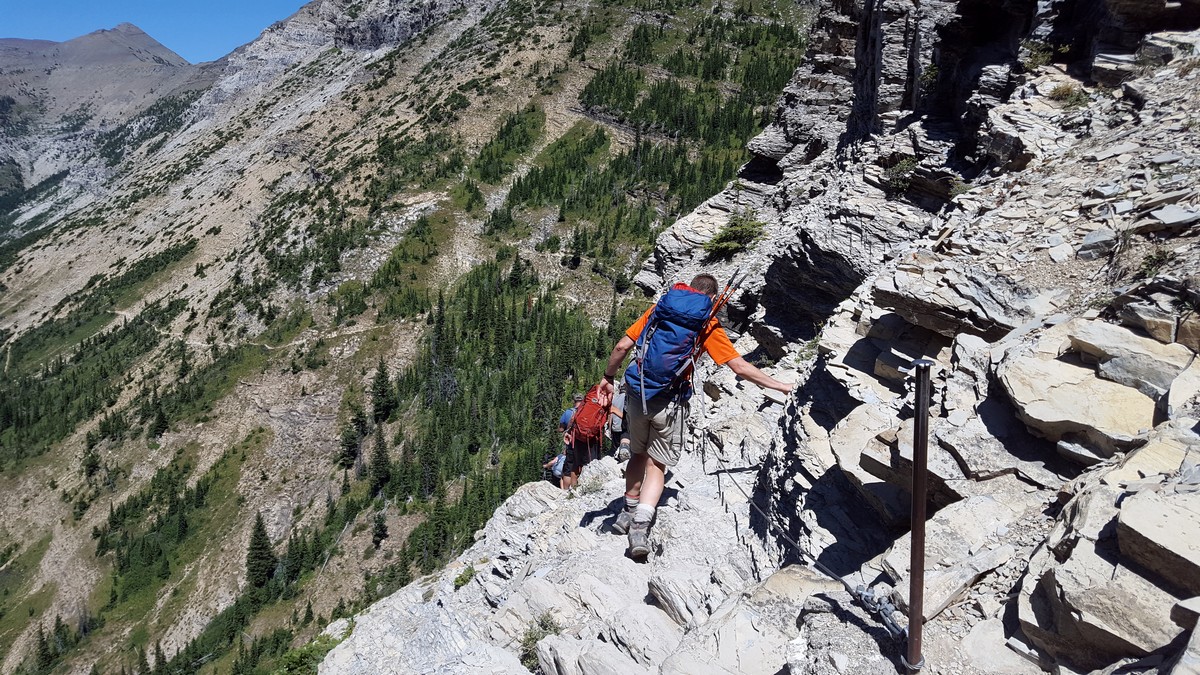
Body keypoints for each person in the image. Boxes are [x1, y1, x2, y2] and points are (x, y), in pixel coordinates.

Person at [597, 273, 792, 560]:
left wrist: (607, 377)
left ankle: (626, 511)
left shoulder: (660, 309)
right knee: (657, 464)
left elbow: (622, 347)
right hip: (670, 400)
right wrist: (781, 385)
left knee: (637, 453)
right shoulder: (706, 323)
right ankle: (639, 527)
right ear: (711, 298)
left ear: (688, 289)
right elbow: (739, 367)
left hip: (638, 394)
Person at [558, 393, 585, 491]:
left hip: (571, 443)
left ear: (574, 401)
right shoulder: (587, 412)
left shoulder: (568, 412)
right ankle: (580, 488)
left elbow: (561, 429)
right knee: (583, 465)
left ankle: (566, 491)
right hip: (585, 443)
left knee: (569, 468)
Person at [608, 383, 630, 461]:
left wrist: (610, 429)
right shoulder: (629, 398)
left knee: (614, 449)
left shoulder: (614, 399)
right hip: (626, 427)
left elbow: (610, 415)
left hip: (615, 427)